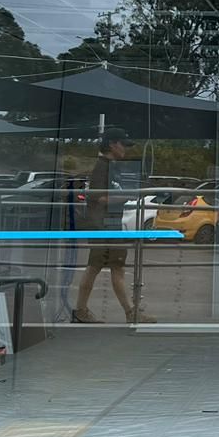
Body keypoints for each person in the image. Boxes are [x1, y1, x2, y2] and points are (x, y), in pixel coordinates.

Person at [72, 127, 152, 324]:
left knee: (104, 267)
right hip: (104, 226)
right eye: (122, 144)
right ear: (112, 144)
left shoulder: (109, 166)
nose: (125, 149)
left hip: (108, 225)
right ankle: (126, 312)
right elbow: (100, 198)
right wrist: (130, 195)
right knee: (106, 267)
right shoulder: (102, 167)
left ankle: (84, 309)